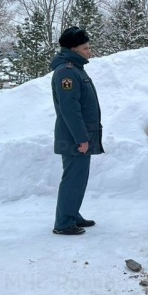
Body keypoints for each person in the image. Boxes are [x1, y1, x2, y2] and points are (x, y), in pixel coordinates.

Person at [51, 26, 103, 235]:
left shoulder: (76, 69)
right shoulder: (68, 73)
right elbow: (69, 110)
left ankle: (72, 214)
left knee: (78, 178)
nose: (89, 51)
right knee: (73, 179)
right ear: (74, 49)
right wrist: (82, 138)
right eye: (85, 48)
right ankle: (63, 223)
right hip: (74, 138)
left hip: (80, 136)